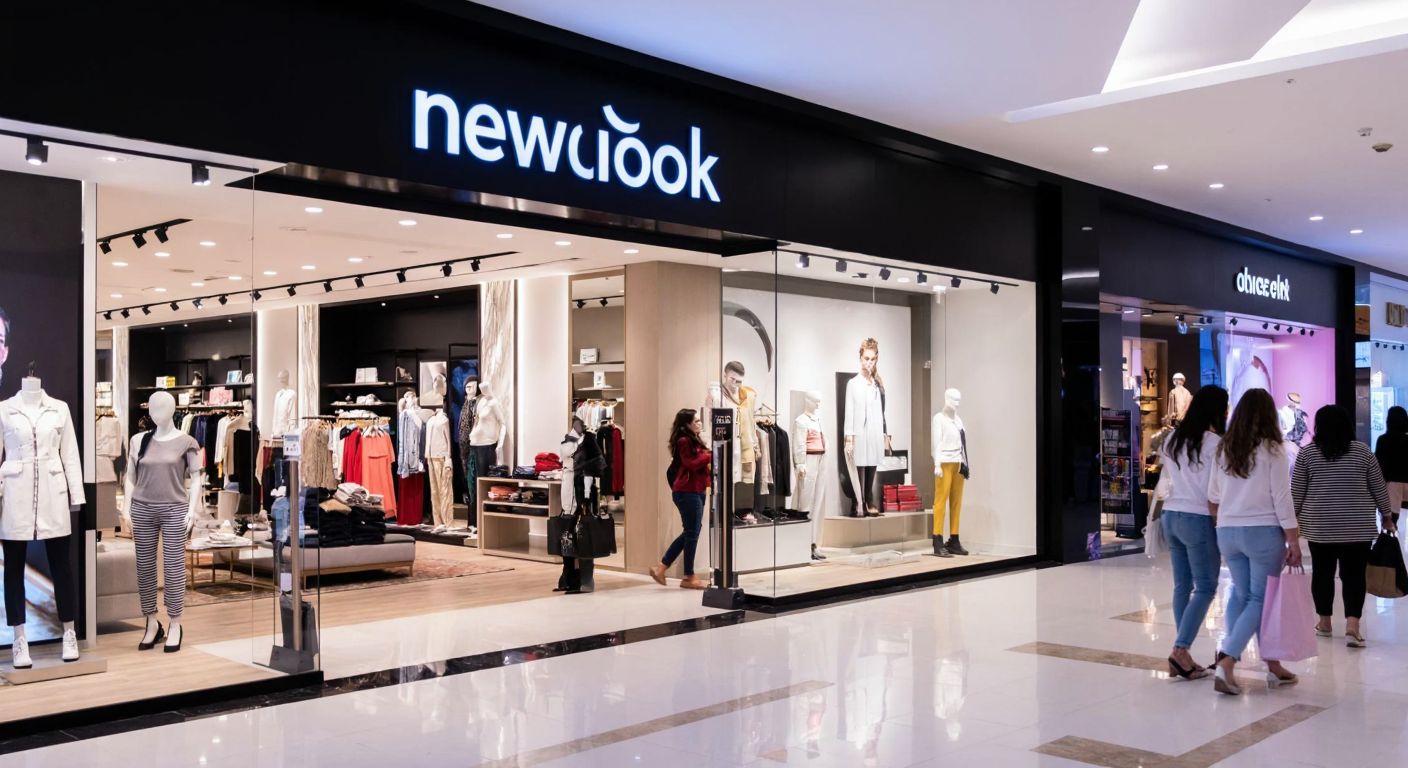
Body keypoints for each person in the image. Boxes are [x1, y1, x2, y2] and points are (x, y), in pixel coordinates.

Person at [1207, 388, 1301, 695]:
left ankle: (1271, 665)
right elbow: (1282, 499)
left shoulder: (1224, 449)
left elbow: (1213, 497)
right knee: (1260, 600)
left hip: (1227, 531)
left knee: (1244, 595)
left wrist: (1224, 522)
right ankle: (1229, 659)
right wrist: (1294, 540)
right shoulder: (1273, 449)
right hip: (1262, 532)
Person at [1293, 405, 1395, 648]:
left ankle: (1325, 623)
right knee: (1354, 576)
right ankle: (1352, 626)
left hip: (1320, 526)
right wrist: (1387, 515)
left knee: (1322, 574)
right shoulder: (1363, 452)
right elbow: (1378, 487)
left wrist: (1289, 522)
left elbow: (1296, 492)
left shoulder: (1307, 454)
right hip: (1357, 527)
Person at [1157, 385, 1228, 679]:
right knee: (1207, 586)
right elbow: (1218, 488)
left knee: (1181, 586)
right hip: (1197, 518)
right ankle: (1180, 650)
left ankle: (1181, 653)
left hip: (1170, 515)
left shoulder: (1171, 438)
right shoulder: (1215, 444)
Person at [651, 409, 712, 590]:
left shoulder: (694, 440)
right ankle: (688, 576)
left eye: (700, 421)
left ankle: (661, 568)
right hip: (687, 491)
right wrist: (711, 454)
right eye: (696, 421)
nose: (700, 424)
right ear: (687, 424)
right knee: (692, 532)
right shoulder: (684, 441)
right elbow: (691, 464)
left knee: (691, 532)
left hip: (696, 490)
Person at [1374, 405, 1408, 525]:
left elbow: (1378, 466)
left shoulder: (1383, 440)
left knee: (1391, 521)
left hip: (1392, 484)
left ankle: (1390, 541)